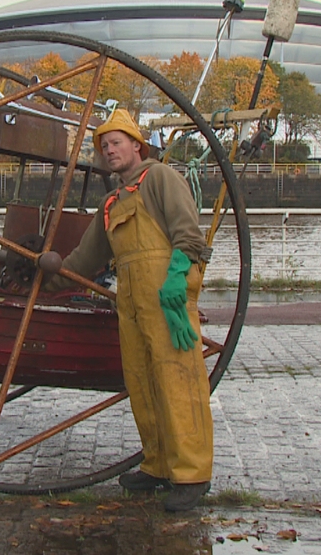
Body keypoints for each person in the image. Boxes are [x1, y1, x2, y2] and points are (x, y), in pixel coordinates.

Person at [48, 109, 213, 512]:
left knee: (178, 381)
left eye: (116, 142)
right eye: (104, 146)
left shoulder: (159, 178)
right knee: (141, 383)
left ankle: (192, 475)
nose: (109, 150)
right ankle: (157, 465)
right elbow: (83, 261)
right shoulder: (111, 202)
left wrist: (177, 280)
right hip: (131, 305)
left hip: (167, 300)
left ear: (136, 145)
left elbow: (188, 233)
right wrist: (40, 279)